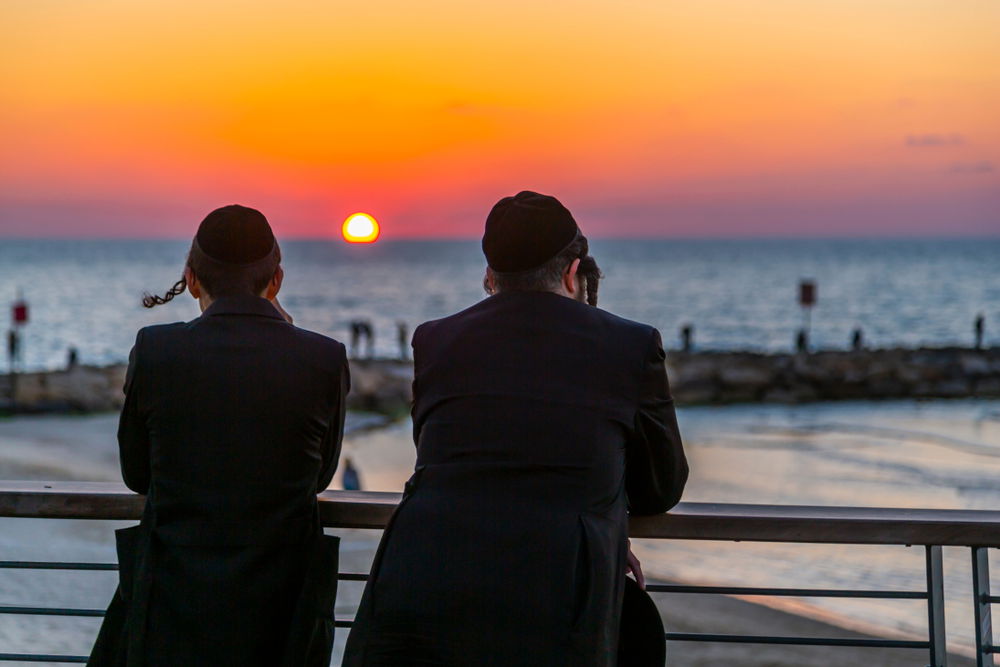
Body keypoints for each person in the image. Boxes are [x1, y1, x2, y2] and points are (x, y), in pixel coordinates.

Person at [344, 191, 688, 666]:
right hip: (555, 600)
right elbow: (660, 489)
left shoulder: (436, 339)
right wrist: (598, 521)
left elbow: (446, 457)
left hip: (423, 578)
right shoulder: (631, 344)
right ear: (573, 272)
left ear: (490, 275)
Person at [88, 205, 349, 667]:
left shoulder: (156, 349)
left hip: (174, 602)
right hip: (282, 610)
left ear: (191, 280)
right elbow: (321, 476)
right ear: (276, 280)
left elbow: (137, 474)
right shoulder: (324, 358)